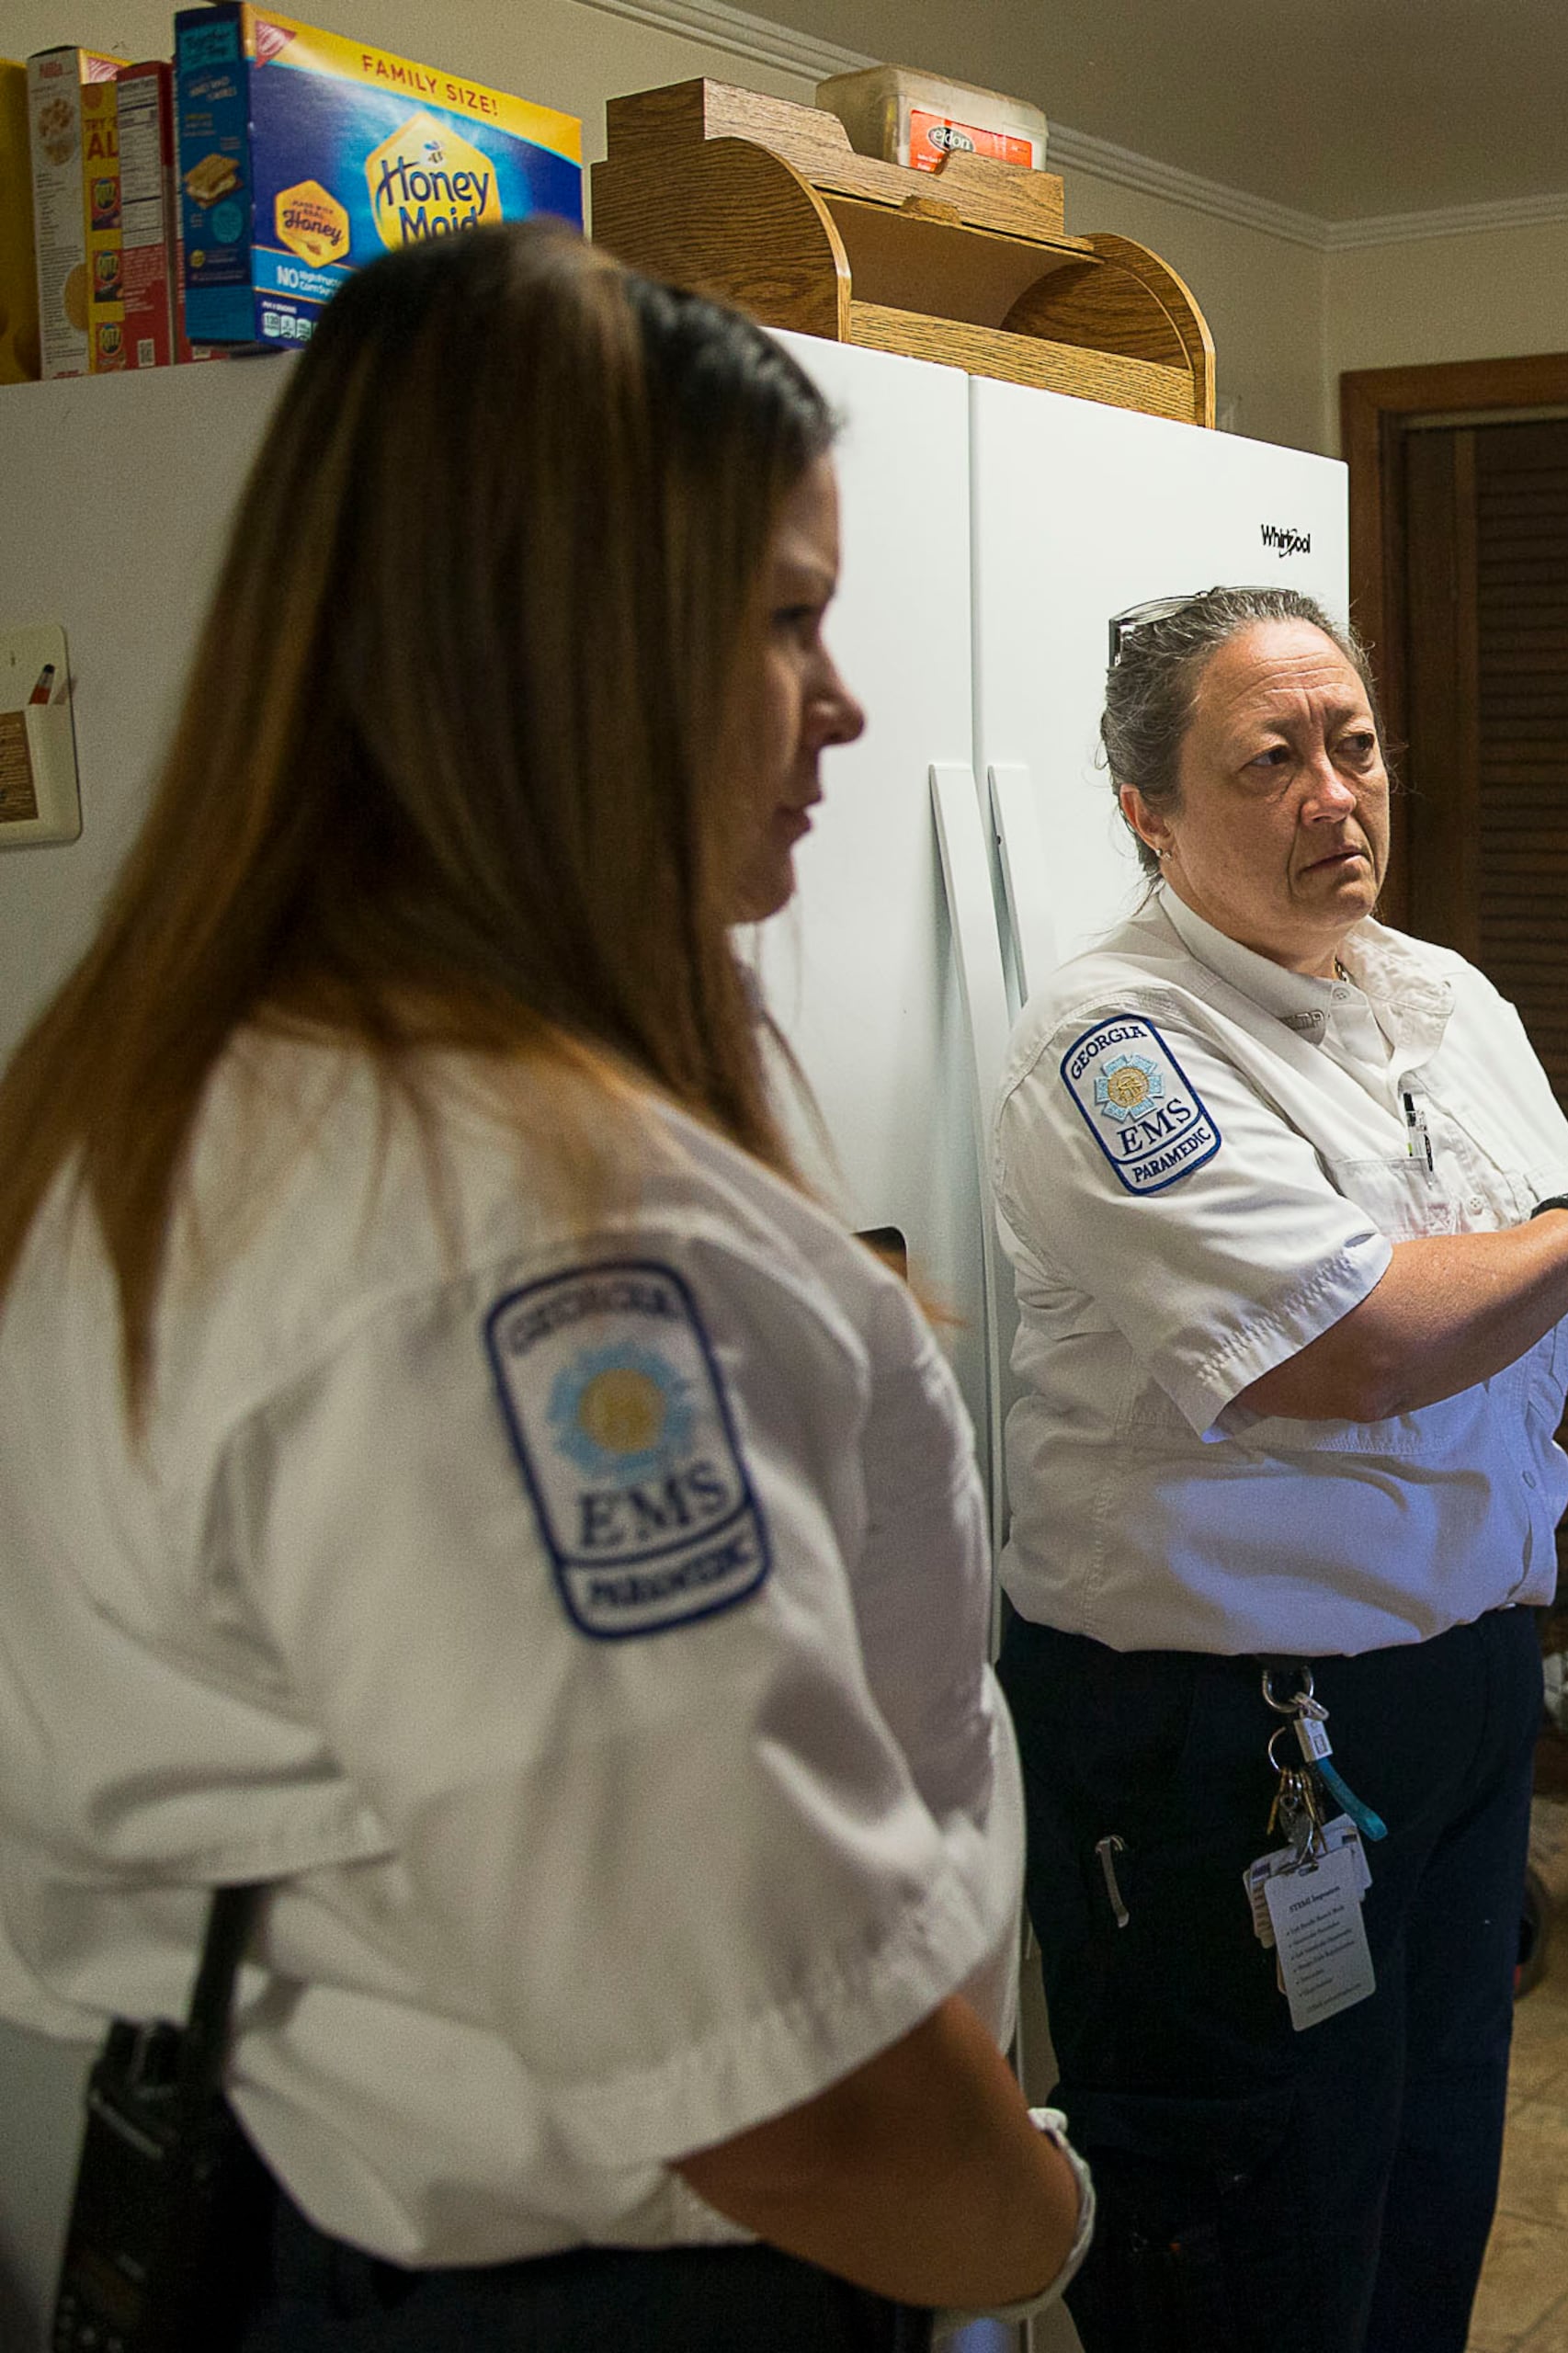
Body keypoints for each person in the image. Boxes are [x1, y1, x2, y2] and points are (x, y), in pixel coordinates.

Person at [0, 224, 1088, 2344]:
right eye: (788, 618)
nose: (847, 703)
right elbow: (792, 2088)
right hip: (639, 2280)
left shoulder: (204, 1099)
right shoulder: (539, 1255)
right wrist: (1038, 2227)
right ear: (563, 656)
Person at [986, 584, 1568, 2347]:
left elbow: (1527, 1314)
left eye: (1355, 745)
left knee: (1422, 2170)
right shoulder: (1114, 1050)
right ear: (1147, 812)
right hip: (1223, 1726)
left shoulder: (1440, 994)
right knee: (1251, 2215)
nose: (1336, 797)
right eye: (1271, 759)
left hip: (1449, 1682)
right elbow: (1351, 1345)